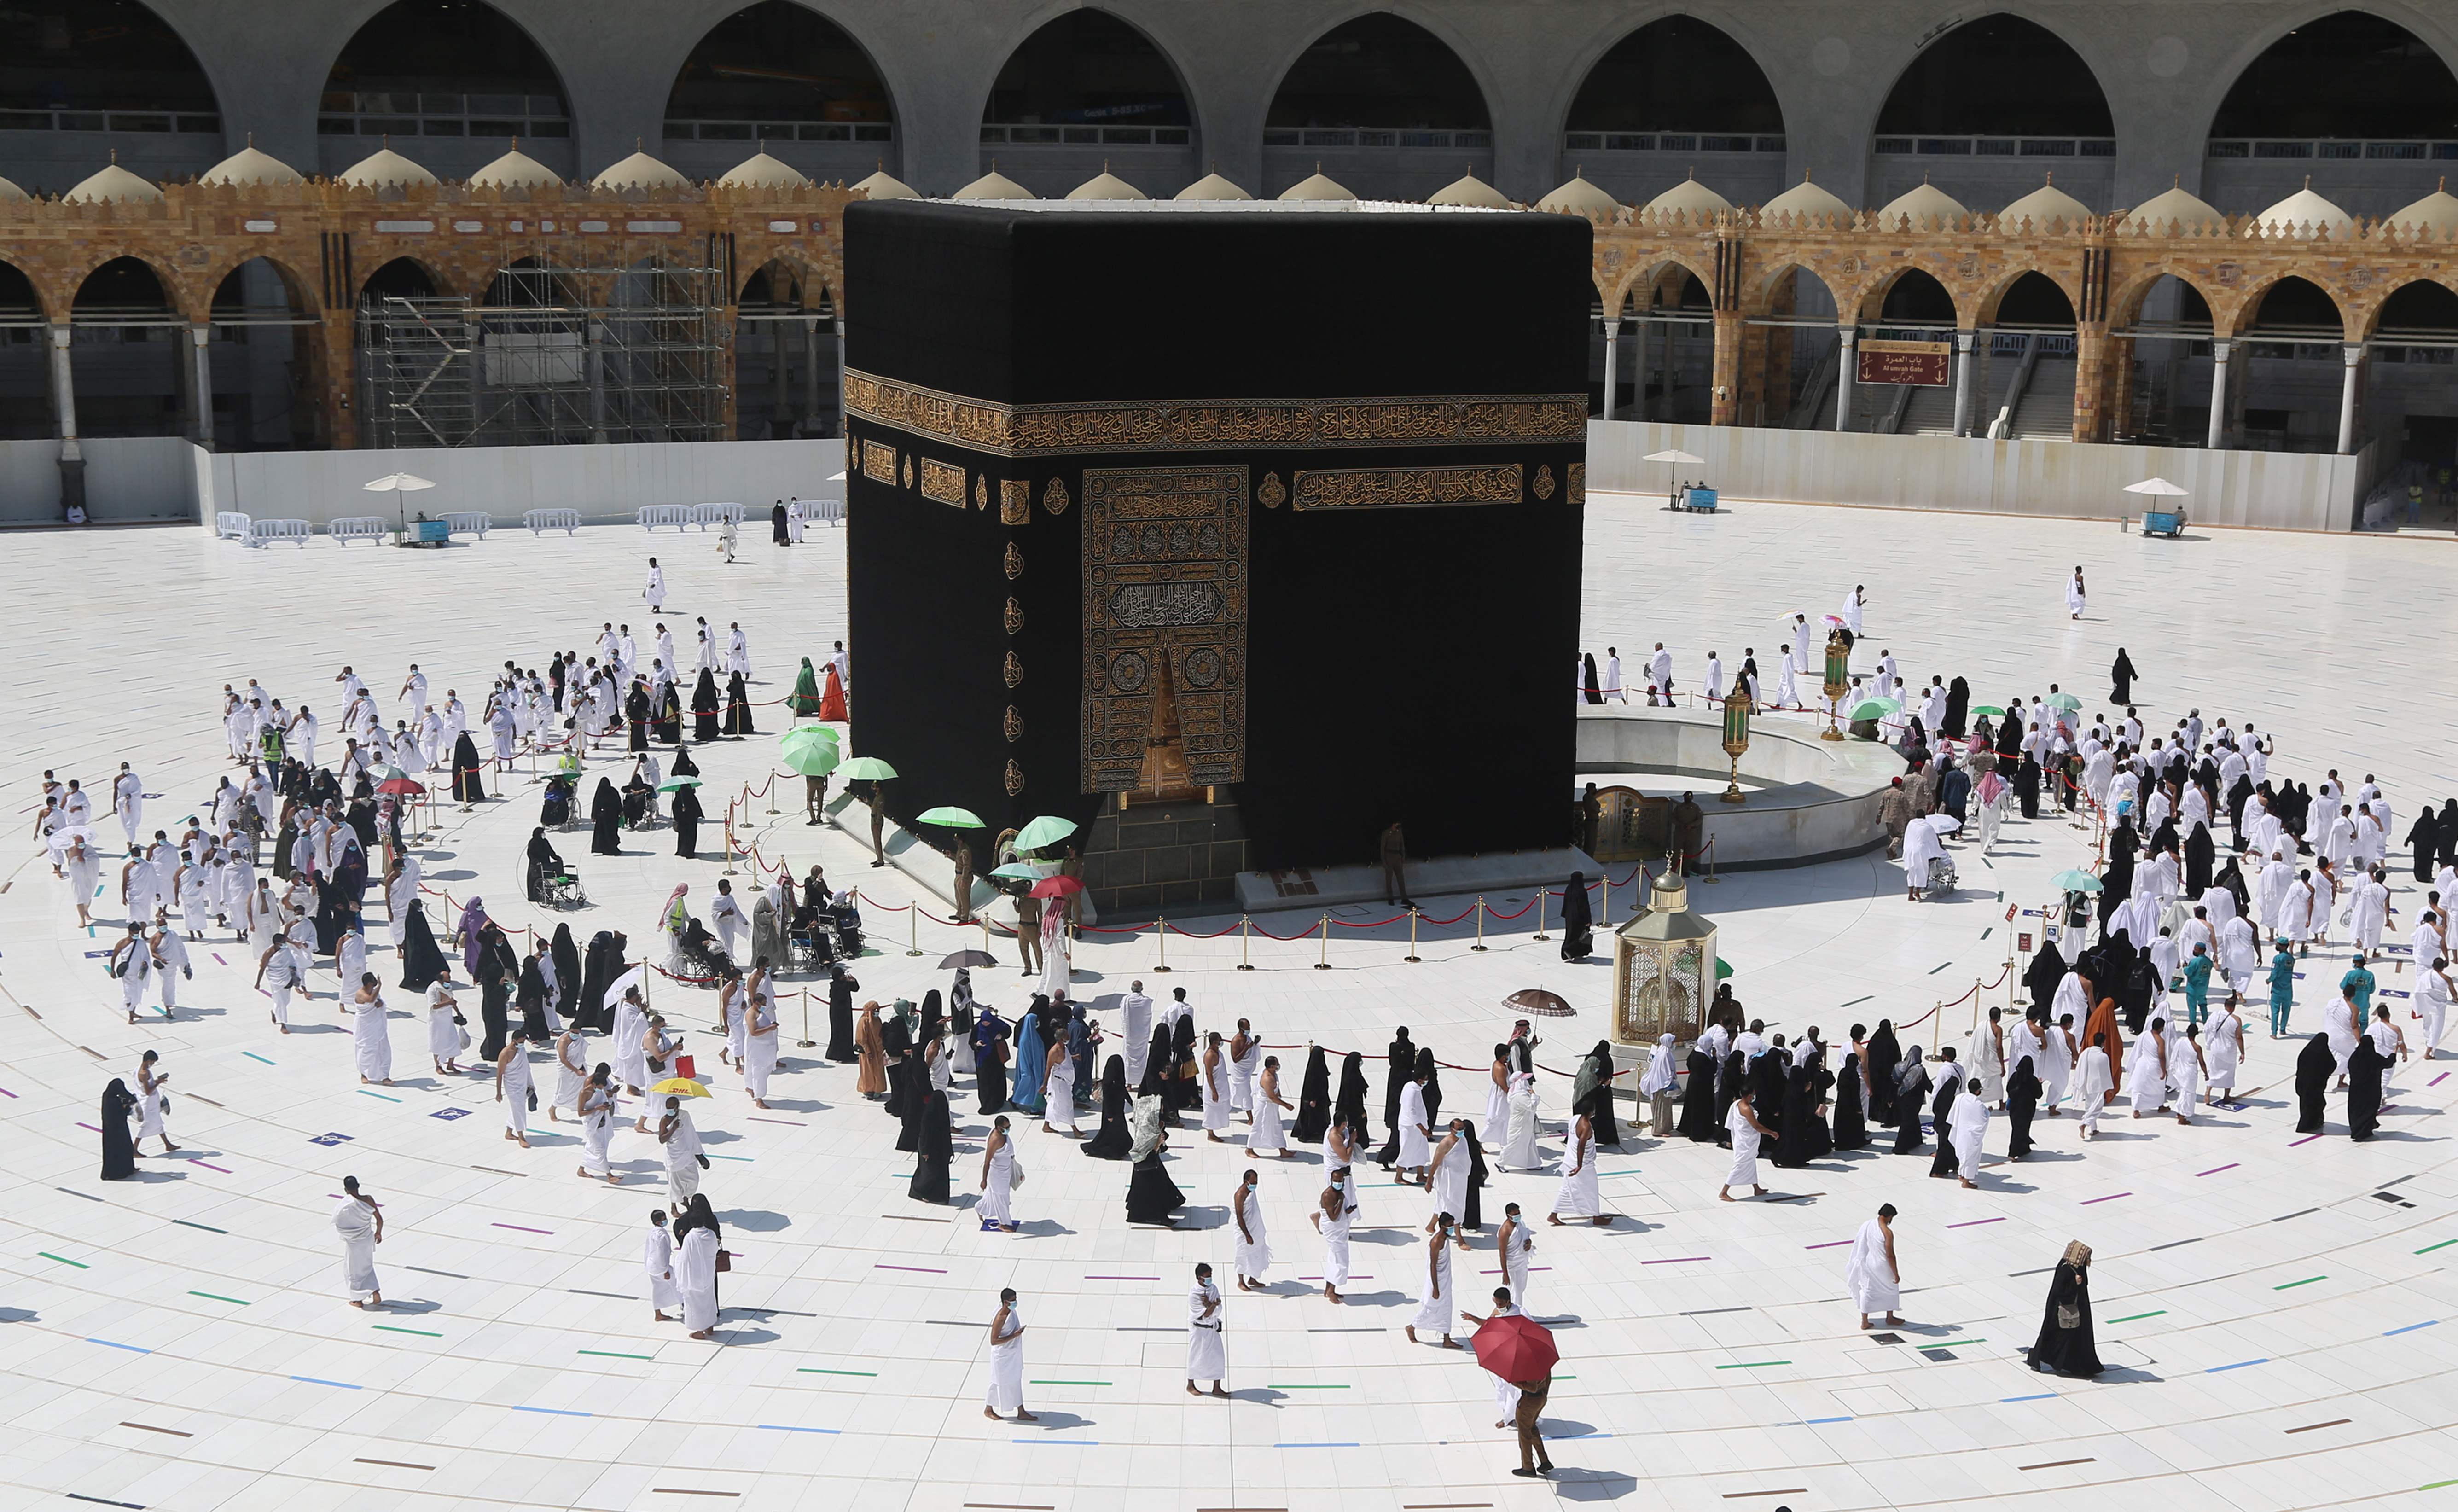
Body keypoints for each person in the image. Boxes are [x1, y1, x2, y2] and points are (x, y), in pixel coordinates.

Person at [2024, 1241, 2103, 1377]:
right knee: (2059, 1337)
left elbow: (2084, 1285)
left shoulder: (2078, 1267)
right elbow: (2059, 1291)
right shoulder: (2066, 1268)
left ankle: (2078, 1366)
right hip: (2062, 1310)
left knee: (2074, 1339)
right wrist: (2075, 1284)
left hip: (2076, 1309)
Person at [1407, 1210, 1464, 1347]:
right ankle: (1412, 1326)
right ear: (1443, 1226)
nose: (1452, 1227)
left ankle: (1447, 1339)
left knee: (1447, 1308)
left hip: (1445, 1280)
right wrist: (1436, 1288)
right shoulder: (1437, 1241)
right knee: (1431, 1308)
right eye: (1450, 1225)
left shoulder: (1446, 1238)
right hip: (1437, 1281)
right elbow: (1433, 1265)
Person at [1846, 1204, 1903, 1328]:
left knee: (1867, 1290)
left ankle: (1865, 1321)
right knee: (1892, 1289)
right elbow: (1890, 1255)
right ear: (1889, 1217)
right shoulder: (1887, 1233)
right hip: (1882, 1266)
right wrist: (1896, 1273)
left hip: (1868, 1264)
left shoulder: (1867, 1225)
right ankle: (1890, 1317)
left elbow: (1861, 1244)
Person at [674, 1194, 722, 1339]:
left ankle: (699, 1331)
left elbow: (685, 1257)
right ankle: (710, 1327)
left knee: (695, 1304)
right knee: (709, 1300)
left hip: (694, 1276)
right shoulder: (711, 1234)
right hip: (708, 1274)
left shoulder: (690, 1237)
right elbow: (715, 1249)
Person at [984, 1287, 1034, 1421]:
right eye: (1013, 1301)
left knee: (1016, 1381)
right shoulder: (1001, 1317)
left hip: (1013, 1355)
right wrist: (1014, 1336)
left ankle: (1021, 1411)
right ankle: (988, 1409)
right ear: (1006, 1302)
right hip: (1002, 1358)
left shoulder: (1011, 1312)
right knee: (998, 1383)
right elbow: (994, 1341)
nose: (1016, 1302)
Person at [334, 1175, 383, 1308]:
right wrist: (379, 1233)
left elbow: (340, 1222)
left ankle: (357, 1300)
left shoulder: (346, 1205)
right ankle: (374, 1291)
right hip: (368, 1238)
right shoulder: (368, 1200)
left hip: (354, 1242)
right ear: (359, 1186)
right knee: (367, 1265)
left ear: (345, 1190)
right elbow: (379, 1219)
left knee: (353, 1270)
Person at [1185, 1263, 1228, 1396]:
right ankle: (1190, 1385)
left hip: (1212, 1329)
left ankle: (1217, 1387)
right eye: (1207, 1276)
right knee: (1196, 1357)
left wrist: (1211, 1304)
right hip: (1199, 1331)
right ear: (1200, 1278)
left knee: (1218, 1357)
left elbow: (1218, 1311)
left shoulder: (1213, 1289)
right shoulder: (1194, 1295)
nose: (1210, 1278)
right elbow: (1205, 1315)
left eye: (1211, 1275)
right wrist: (1213, 1306)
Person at [1721, 1086, 1769, 1200]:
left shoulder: (1737, 1103)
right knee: (1740, 1165)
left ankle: (1756, 1188)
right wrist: (1772, 1133)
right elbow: (1757, 1126)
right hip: (1745, 1143)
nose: (1754, 1097)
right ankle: (1724, 1192)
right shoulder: (1746, 1108)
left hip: (1746, 1141)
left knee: (1751, 1163)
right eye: (1753, 1095)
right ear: (1749, 1096)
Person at [910, 1086, 953, 1203]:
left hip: (940, 1150)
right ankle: (919, 1191)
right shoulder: (929, 1116)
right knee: (929, 1174)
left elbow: (946, 1135)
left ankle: (939, 1196)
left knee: (940, 1174)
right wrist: (924, 1152)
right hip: (929, 1150)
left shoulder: (942, 1115)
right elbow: (924, 1135)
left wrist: (950, 1151)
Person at [1233, 1168, 1272, 1290]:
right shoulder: (1240, 1195)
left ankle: (1253, 1278)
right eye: (1253, 1182)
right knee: (1243, 1255)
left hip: (1256, 1228)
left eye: (1256, 1182)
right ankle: (1241, 1282)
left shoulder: (1251, 1192)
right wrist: (1247, 1235)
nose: (1255, 1185)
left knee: (1257, 1254)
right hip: (1245, 1231)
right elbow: (1240, 1217)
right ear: (1246, 1182)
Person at [979, 1113, 1018, 1232]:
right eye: (1006, 1128)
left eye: (1009, 1126)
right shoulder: (995, 1140)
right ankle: (1004, 1223)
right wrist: (984, 1180)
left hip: (1007, 1170)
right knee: (1002, 1198)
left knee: (995, 1195)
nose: (1008, 1129)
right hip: (998, 1174)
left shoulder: (1003, 1134)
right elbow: (987, 1162)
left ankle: (980, 1208)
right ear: (999, 1128)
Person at [2347, 1032, 2388, 1140]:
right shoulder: (2374, 1058)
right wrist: (2394, 1054)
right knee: (2369, 1109)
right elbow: (2388, 1063)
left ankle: (2356, 1129)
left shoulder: (2355, 1057)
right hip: (2371, 1091)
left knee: (2356, 1110)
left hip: (2356, 1090)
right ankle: (2364, 1131)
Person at [2293, 1030, 2335, 1133]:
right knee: (2316, 1104)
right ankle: (2310, 1125)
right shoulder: (2324, 1054)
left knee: (2306, 1104)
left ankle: (2310, 1123)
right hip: (2316, 1085)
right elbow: (2332, 1065)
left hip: (2302, 1084)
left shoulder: (2306, 1052)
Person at [100, 1078, 139, 1179]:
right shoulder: (114, 1101)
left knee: (123, 1149)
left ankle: (127, 1169)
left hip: (113, 1129)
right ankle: (120, 1172)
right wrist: (126, 1106)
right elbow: (120, 1113)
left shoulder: (107, 1096)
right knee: (122, 1150)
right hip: (117, 1130)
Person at [645, 1208, 680, 1322]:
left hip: (652, 1266)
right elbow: (661, 1254)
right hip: (660, 1267)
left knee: (658, 1288)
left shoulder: (653, 1232)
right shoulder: (661, 1235)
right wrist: (665, 1270)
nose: (666, 1221)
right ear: (659, 1222)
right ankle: (684, 1305)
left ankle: (658, 1313)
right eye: (664, 1219)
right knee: (677, 1284)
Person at [1558, 871, 1593, 960]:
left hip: (1570, 917)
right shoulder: (1582, 891)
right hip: (1579, 918)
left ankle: (1573, 953)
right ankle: (1569, 950)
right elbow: (1585, 907)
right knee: (1579, 936)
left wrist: (1565, 914)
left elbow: (1566, 903)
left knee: (1570, 935)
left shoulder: (1569, 889)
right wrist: (1588, 920)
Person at [1379, 821, 1411, 908]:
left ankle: (1404, 898)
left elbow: (1402, 845)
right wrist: (1384, 861)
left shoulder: (1399, 833)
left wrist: (1403, 856)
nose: (1398, 826)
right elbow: (1383, 848)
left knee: (1401, 879)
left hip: (1397, 857)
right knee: (1389, 879)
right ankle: (1390, 898)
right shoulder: (1386, 833)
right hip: (1389, 857)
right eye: (1397, 824)